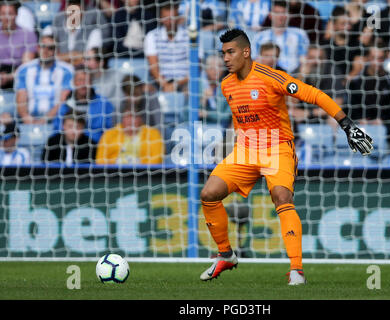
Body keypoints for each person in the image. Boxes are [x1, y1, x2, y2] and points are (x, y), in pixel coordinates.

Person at [199, 29, 373, 285]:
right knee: (208, 194)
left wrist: (345, 123)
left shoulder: (270, 77)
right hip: (246, 150)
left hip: (278, 147)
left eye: (230, 52)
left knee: (281, 196)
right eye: (223, 53)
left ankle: (296, 270)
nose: (225, 58)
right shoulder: (226, 85)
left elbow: (314, 94)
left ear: (246, 52)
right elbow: (240, 119)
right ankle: (225, 254)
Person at [15, 32, 73, 125]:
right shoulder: (24, 70)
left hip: (56, 121)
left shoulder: (66, 70)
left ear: (56, 51)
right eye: (43, 46)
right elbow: (21, 98)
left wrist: (44, 120)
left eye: (51, 48)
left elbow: (63, 100)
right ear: (37, 48)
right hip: (29, 120)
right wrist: (26, 118)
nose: (45, 50)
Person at [53, 65, 115, 143]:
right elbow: (57, 129)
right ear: (74, 82)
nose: (83, 84)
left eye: (87, 81)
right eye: (80, 80)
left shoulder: (104, 104)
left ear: (92, 82)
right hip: (69, 146)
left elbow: (108, 130)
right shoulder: (65, 104)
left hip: (95, 146)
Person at [95, 98, 164, 164]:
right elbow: (100, 159)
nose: (131, 121)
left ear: (140, 119)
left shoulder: (153, 134)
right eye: (127, 116)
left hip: (142, 173)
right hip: (114, 173)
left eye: (134, 117)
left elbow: (157, 159)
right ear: (122, 119)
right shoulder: (109, 134)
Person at [253, 0, 309, 75]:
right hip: (268, 76)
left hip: (293, 76)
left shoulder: (299, 34)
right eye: (277, 12)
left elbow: (304, 59)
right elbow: (255, 60)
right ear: (270, 15)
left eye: (283, 12)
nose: (280, 16)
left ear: (289, 15)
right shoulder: (260, 36)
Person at [144, 2, 189, 92]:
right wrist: (165, 85)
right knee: (145, 89)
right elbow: (153, 68)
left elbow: (196, 67)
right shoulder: (152, 36)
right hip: (160, 83)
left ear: (177, 17)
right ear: (160, 18)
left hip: (185, 83)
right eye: (166, 18)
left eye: (172, 18)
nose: (169, 21)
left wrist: (176, 84)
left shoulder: (189, 36)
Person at [52, 0, 110, 65]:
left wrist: (63, 58)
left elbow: (90, 59)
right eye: (71, 11)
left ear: (82, 13)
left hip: (83, 71)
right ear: (65, 10)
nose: (73, 15)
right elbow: (50, 57)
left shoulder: (94, 32)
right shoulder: (56, 26)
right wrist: (76, 55)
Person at [0, 0, 37, 89]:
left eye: (10, 13)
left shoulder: (28, 35)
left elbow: (27, 64)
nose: (7, 17)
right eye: (3, 13)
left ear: (16, 14)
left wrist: (9, 77)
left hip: (19, 74)